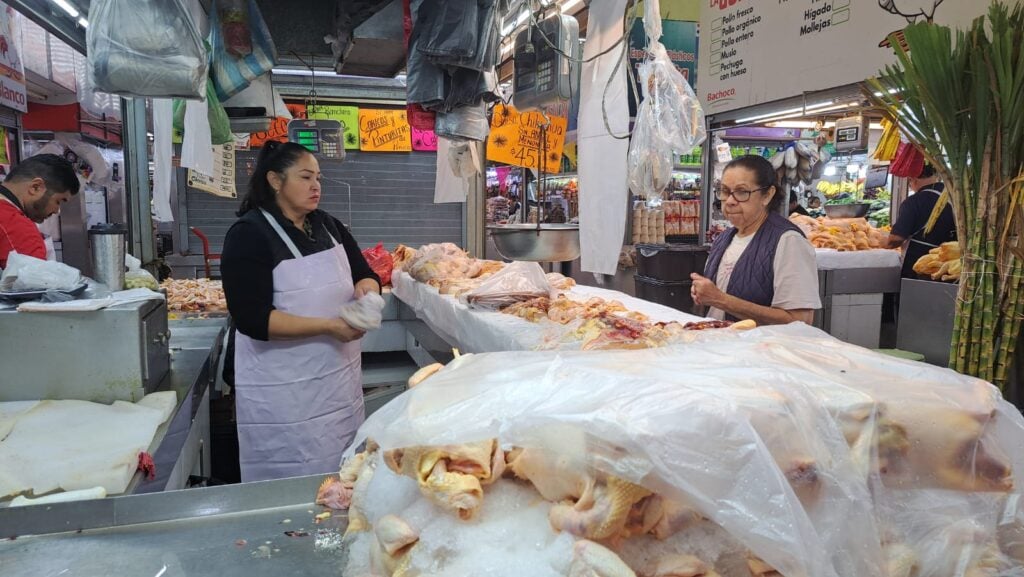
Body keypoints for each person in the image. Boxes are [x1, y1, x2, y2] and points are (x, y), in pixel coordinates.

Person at [220, 141, 380, 483]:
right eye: (306, 177)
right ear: (275, 181)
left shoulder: (328, 226)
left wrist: (367, 291)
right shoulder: (248, 235)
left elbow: (365, 272)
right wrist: (328, 326)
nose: (316, 186)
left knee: (343, 474)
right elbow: (253, 318)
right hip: (283, 391)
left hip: (337, 385)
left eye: (319, 178)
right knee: (293, 480)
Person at [690, 155, 822, 325]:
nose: (729, 201)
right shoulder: (724, 238)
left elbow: (799, 320)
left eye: (741, 192)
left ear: (767, 195)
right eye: (724, 191)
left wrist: (720, 299)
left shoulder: (788, 241)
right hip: (721, 345)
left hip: (761, 349)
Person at [0, 154, 80, 268]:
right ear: (35, 187)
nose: (57, 211)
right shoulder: (14, 225)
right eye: (58, 201)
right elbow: (37, 282)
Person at [886, 164, 956, 278]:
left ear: (912, 179)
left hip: (919, 267)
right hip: (950, 266)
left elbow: (895, 239)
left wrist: (883, 243)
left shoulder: (914, 202)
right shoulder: (954, 196)